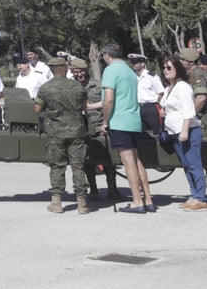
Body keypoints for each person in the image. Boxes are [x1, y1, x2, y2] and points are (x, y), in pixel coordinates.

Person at [100, 42, 154, 213]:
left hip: (119, 121)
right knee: (136, 160)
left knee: (127, 162)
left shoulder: (110, 70)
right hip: (132, 120)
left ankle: (137, 202)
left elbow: (109, 100)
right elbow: (119, 97)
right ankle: (148, 199)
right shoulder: (129, 71)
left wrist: (105, 122)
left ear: (106, 55)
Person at [35, 56, 89, 213]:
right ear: (64, 69)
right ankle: (82, 204)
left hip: (56, 132)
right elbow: (84, 107)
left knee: (57, 166)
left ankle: (57, 203)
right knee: (78, 166)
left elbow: (37, 109)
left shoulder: (45, 88)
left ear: (52, 70)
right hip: (77, 132)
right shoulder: (78, 86)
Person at [159, 55, 207, 210]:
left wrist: (185, 130)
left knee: (194, 164)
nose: (165, 70)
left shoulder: (183, 87)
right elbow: (169, 106)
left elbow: (189, 111)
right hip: (174, 132)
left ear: (177, 69)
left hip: (187, 131)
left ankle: (200, 197)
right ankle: (193, 195)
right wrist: (163, 112)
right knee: (186, 165)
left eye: (169, 68)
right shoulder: (169, 88)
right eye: (164, 67)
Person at [71, 58, 119, 200]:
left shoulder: (98, 85)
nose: (79, 75)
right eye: (76, 72)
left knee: (108, 160)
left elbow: (108, 100)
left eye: (81, 72)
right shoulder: (72, 86)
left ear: (87, 71)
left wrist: (91, 106)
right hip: (81, 128)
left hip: (99, 125)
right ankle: (93, 190)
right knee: (87, 161)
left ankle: (113, 189)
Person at [129, 53, 164, 136]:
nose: (133, 64)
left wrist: (162, 107)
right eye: (132, 62)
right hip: (138, 108)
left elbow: (161, 93)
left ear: (142, 63)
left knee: (157, 133)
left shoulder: (152, 76)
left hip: (151, 108)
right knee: (142, 135)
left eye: (135, 62)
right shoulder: (132, 77)